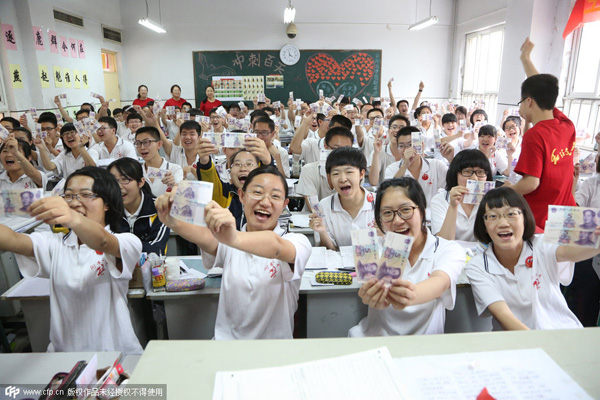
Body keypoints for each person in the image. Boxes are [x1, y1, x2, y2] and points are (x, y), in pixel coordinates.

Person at [155, 166, 312, 339]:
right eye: (258, 192)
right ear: (242, 196)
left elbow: (276, 247)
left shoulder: (297, 241)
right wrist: (171, 219)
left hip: (273, 351)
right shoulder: (229, 239)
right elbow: (204, 237)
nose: (265, 202)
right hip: (227, 347)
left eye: (275, 196)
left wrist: (233, 238)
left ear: (284, 205)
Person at [0, 166, 143, 353]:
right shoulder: (54, 244)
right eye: (69, 196)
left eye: (86, 195)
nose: (75, 203)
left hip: (114, 353)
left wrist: (72, 218)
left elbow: (102, 241)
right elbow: (12, 240)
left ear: (107, 203)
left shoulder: (127, 241)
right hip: (64, 355)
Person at [466, 186, 600, 331]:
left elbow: (570, 252)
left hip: (564, 333)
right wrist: (539, 344)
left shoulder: (541, 244)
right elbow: (502, 315)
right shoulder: (478, 266)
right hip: (517, 343)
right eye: (492, 216)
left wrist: (597, 243)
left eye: (511, 214)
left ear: (524, 218)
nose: (503, 223)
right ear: (484, 225)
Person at [349, 177, 464, 336]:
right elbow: (369, 286)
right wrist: (370, 295)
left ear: (422, 211)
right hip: (375, 341)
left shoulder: (447, 249)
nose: (397, 220)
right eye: (387, 213)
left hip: (424, 348)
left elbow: (440, 282)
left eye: (405, 210)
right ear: (379, 220)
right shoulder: (372, 250)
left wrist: (411, 295)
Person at [509, 38, 577, 229]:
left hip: (541, 222)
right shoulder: (566, 124)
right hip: (566, 215)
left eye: (521, 101)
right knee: (564, 259)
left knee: (541, 259)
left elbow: (531, 183)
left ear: (528, 101)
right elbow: (542, 91)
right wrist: (526, 59)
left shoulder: (535, 135)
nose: (521, 106)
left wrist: (509, 190)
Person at [309, 147, 376, 250]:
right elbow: (330, 251)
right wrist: (322, 232)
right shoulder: (325, 206)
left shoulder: (378, 202)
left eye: (349, 172)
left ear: (361, 174)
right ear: (329, 177)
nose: (343, 179)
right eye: (336, 174)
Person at [108, 158, 170, 254]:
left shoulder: (158, 208)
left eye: (124, 179)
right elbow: (104, 246)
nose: (118, 186)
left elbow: (156, 248)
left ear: (141, 182)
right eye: (113, 181)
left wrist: (121, 249)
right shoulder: (108, 210)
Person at [430, 149, 493, 241]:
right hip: (451, 253)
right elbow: (443, 242)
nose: (474, 178)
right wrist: (453, 206)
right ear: (455, 174)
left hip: (483, 253)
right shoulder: (440, 200)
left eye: (480, 172)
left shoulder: (491, 200)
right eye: (467, 172)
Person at [385, 126, 449, 207]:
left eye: (410, 145)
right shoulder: (391, 169)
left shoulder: (436, 165)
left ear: (422, 145)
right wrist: (404, 165)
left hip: (431, 216)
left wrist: (450, 159)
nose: (406, 150)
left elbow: (453, 185)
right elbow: (390, 194)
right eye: (401, 146)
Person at [296, 127, 355, 201]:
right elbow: (314, 207)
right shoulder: (309, 170)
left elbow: (351, 203)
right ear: (325, 147)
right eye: (336, 149)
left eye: (347, 150)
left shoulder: (355, 173)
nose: (341, 155)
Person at [135, 126, 183, 197]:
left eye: (146, 142)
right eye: (138, 143)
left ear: (159, 144)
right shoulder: (136, 172)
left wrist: (174, 184)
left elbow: (180, 195)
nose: (142, 147)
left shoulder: (175, 169)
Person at [368, 115, 410, 186]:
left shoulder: (411, 153)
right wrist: (376, 153)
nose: (397, 130)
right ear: (388, 131)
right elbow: (373, 182)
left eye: (402, 128)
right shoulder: (379, 151)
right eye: (394, 127)